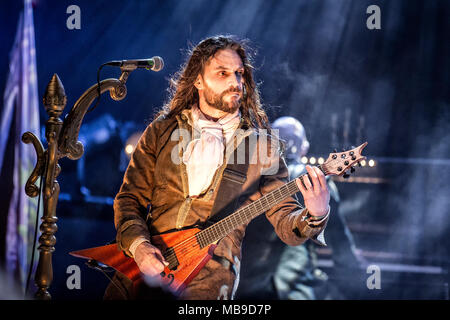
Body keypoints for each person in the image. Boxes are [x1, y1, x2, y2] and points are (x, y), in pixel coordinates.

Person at [104, 35, 331, 300]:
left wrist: (316, 213)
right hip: (141, 273)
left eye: (238, 74)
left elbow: (286, 223)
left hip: (209, 281)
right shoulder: (161, 131)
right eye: (222, 73)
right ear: (198, 80)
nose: (235, 82)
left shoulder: (261, 148)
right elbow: (129, 200)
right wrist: (140, 246)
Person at [238, 116, 364, 300]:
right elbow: (339, 240)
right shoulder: (317, 182)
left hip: (246, 287)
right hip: (295, 287)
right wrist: (358, 278)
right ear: (304, 147)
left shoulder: (246, 179)